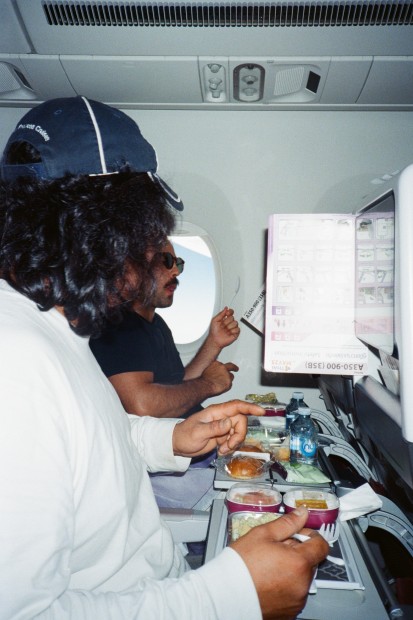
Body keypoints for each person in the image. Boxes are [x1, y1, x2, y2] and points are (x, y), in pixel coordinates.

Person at [0, 96, 328, 620]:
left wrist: (172, 438)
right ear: (102, 233)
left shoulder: (56, 328)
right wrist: (229, 597)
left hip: (159, 582)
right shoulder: (15, 362)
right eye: (145, 236)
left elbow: (90, 439)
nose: (151, 254)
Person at [90, 238, 240, 420]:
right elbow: (142, 405)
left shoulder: (156, 324)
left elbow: (177, 385)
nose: (176, 271)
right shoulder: (118, 327)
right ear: (133, 268)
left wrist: (214, 343)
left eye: (178, 264)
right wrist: (209, 384)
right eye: (166, 261)